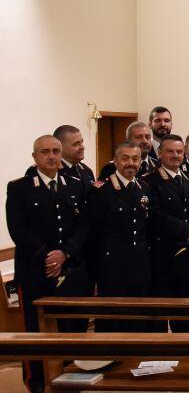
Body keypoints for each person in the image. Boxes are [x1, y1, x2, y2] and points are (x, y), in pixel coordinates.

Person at [7, 135, 90, 393]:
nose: (52, 156)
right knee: (35, 332)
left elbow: (83, 226)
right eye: (45, 152)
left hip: (69, 270)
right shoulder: (20, 187)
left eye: (55, 151)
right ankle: (38, 383)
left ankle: (67, 378)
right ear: (35, 157)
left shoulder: (74, 185)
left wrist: (64, 254)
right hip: (35, 273)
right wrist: (47, 255)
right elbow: (18, 230)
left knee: (70, 329)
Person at [89, 141, 152, 332]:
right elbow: (94, 230)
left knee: (136, 316)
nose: (130, 163)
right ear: (115, 161)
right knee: (111, 318)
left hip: (139, 263)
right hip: (112, 265)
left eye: (135, 159)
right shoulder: (101, 190)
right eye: (125, 158)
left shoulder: (143, 188)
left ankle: (134, 358)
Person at [145, 134, 189, 333]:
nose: (175, 155)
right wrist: (187, 229)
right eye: (170, 151)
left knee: (187, 312)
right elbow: (154, 215)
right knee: (160, 314)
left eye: (179, 151)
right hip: (162, 255)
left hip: (188, 255)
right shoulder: (149, 181)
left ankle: (186, 355)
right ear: (160, 153)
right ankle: (158, 358)